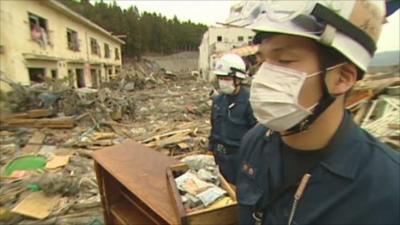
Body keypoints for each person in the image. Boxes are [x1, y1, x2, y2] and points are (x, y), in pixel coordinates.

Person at [229, 1, 400, 225]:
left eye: (284, 61)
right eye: (262, 61)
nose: (263, 76)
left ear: (342, 78)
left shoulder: (387, 189)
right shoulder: (254, 143)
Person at [208, 53, 257, 184]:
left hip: (241, 159)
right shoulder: (218, 100)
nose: (223, 82)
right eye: (220, 78)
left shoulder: (250, 101)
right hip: (221, 158)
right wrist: (210, 149)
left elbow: (257, 136)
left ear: (238, 78)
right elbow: (214, 128)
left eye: (227, 78)